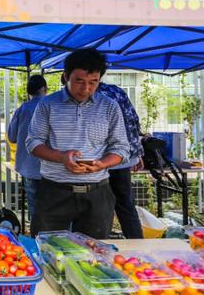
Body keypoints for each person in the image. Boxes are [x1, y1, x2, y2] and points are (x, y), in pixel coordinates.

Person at [26, 48, 129, 239]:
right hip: (54, 191)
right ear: (66, 77)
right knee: (46, 248)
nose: (86, 88)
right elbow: (33, 143)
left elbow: (122, 148)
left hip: (97, 192)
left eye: (93, 82)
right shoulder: (48, 104)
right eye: (79, 81)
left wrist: (102, 164)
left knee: (93, 254)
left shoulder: (109, 106)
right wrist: (61, 157)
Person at [97, 82, 145, 239]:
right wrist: (136, 153)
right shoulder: (116, 91)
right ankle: (137, 245)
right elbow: (132, 122)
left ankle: (100, 250)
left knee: (100, 208)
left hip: (98, 162)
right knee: (125, 205)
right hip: (122, 159)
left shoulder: (88, 96)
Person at [7, 75, 47, 220]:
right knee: (54, 209)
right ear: (44, 88)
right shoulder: (53, 106)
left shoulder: (22, 109)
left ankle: (35, 237)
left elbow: (11, 136)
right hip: (52, 167)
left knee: (34, 208)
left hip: (28, 166)